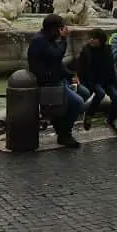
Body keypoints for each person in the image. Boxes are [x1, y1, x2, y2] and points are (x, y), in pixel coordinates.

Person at [27, 14, 83, 148]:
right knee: (77, 102)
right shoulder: (39, 40)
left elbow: (56, 64)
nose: (62, 30)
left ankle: (63, 132)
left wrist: (70, 75)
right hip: (47, 83)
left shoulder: (47, 39)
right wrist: (64, 39)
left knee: (83, 93)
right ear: (54, 28)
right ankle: (65, 134)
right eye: (61, 28)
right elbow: (56, 55)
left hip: (56, 79)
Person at [74, 28, 117, 134]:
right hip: (93, 81)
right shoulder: (86, 50)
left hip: (107, 81)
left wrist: (113, 82)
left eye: (93, 38)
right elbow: (80, 67)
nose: (90, 40)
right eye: (90, 38)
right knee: (100, 93)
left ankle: (111, 120)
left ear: (100, 40)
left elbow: (111, 68)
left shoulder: (108, 50)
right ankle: (89, 116)